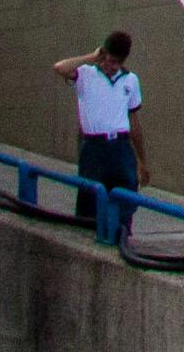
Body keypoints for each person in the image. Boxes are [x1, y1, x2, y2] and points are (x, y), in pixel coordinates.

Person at [53, 29, 145, 214]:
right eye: (110, 60)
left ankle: (121, 227)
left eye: (117, 63)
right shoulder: (86, 74)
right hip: (94, 146)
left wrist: (142, 159)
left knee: (125, 197)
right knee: (90, 200)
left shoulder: (130, 80)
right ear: (104, 55)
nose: (113, 66)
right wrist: (92, 57)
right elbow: (60, 68)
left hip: (120, 145)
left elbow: (134, 122)